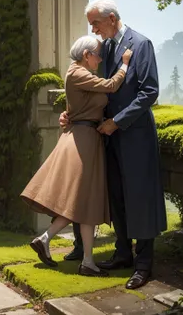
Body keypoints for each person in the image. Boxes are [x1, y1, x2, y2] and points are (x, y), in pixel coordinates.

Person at [61, 0, 167, 289]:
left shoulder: (141, 44)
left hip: (135, 135)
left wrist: (117, 121)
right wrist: (70, 113)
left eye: (95, 23)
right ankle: (123, 254)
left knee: (140, 197)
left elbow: (149, 93)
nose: (92, 29)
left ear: (111, 18)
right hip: (108, 138)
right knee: (117, 197)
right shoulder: (103, 49)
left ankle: (143, 264)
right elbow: (92, 89)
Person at [21, 35, 132, 277]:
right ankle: (85, 260)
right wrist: (124, 64)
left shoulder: (80, 74)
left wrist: (70, 114)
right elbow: (111, 86)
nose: (100, 59)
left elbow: (83, 104)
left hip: (87, 137)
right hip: (83, 140)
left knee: (82, 200)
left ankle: (57, 245)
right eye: (97, 55)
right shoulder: (79, 73)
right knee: (86, 199)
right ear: (86, 55)